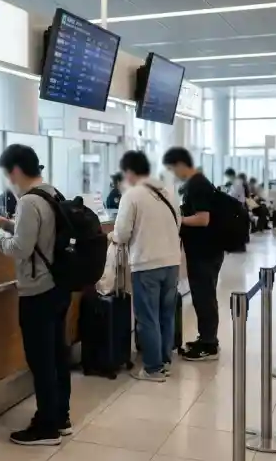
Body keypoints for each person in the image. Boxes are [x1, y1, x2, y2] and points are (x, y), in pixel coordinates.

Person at [0, 144, 71, 446]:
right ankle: (60, 416)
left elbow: (21, 249)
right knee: (57, 353)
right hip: (58, 286)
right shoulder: (51, 193)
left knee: (41, 359)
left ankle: (46, 427)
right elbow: (41, 234)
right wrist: (9, 225)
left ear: (16, 171)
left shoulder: (29, 201)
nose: (9, 181)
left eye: (8, 174)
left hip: (37, 291)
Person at [111, 151, 180, 382]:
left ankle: (152, 368)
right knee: (166, 315)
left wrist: (112, 236)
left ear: (129, 172)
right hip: (172, 262)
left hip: (146, 263)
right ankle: (164, 362)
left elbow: (121, 233)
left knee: (148, 316)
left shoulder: (132, 195)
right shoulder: (168, 192)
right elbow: (178, 223)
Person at [162, 147, 222, 361]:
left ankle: (209, 344)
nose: (173, 173)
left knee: (204, 296)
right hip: (207, 249)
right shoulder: (199, 182)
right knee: (204, 295)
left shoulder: (197, 184)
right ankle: (206, 338)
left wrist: (178, 220)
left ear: (180, 165)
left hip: (204, 251)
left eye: (171, 169)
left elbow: (203, 218)